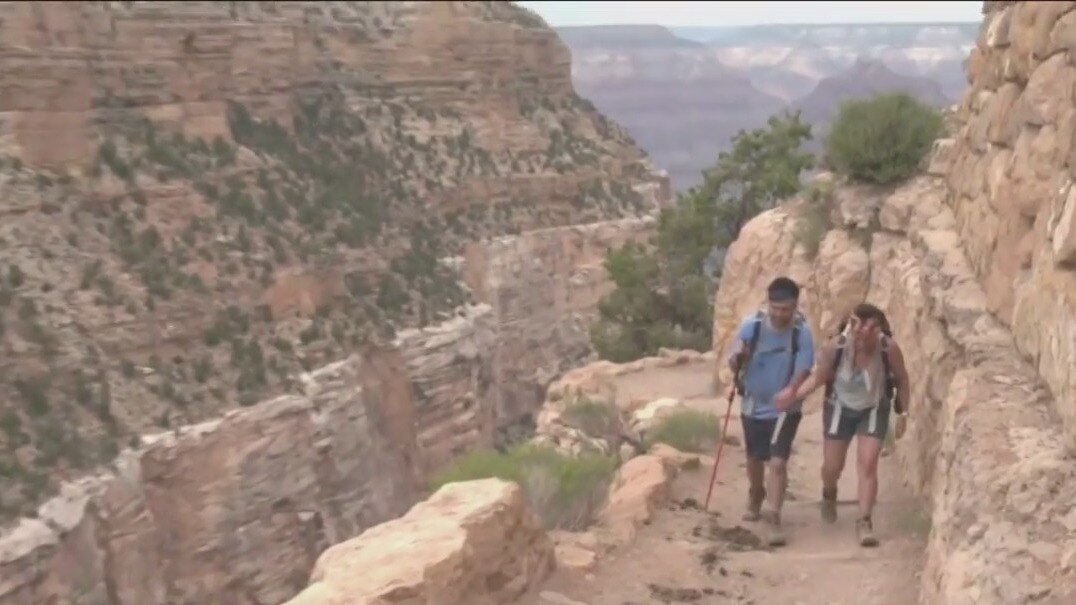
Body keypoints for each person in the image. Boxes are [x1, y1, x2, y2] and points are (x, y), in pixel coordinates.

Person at [775, 302, 910, 547]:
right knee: (832, 467)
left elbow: (901, 378)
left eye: (870, 332)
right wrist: (793, 396)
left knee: (868, 464)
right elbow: (818, 378)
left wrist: (903, 412)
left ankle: (865, 521)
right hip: (839, 407)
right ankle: (829, 492)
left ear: (878, 330)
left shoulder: (888, 349)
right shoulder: (836, 347)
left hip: (873, 407)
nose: (863, 339)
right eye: (858, 331)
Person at [725, 276, 814, 547]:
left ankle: (774, 516)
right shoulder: (751, 326)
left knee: (777, 462)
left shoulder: (801, 333)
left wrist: (791, 390)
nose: (779, 314)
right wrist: (737, 357)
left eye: (785, 309)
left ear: (795, 307)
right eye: (775, 308)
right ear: (768, 304)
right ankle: (756, 493)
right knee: (754, 458)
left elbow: (804, 368)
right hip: (753, 403)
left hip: (785, 408)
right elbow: (734, 361)